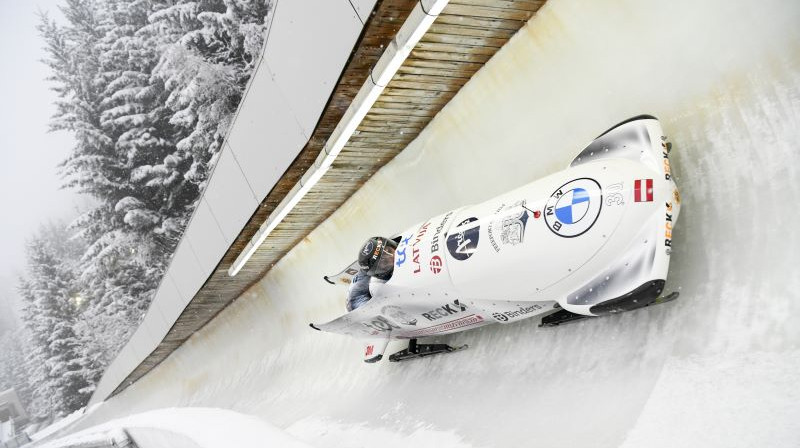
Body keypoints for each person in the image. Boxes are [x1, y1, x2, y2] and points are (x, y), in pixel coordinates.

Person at [346, 236, 397, 311]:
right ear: (381, 271)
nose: (392, 257)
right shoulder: (377, 286)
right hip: (355, 300)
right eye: (385, 262)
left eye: (389, 251)